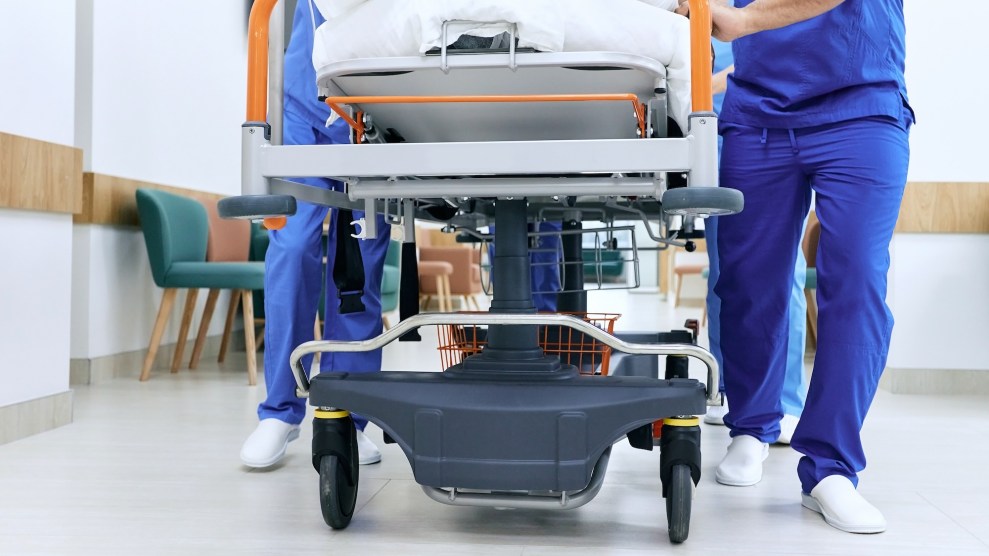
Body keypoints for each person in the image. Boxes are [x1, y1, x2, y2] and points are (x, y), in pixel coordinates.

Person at [679, 0, 913, 534]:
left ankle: (831, 467)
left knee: (855, 280)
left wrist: (743, 22)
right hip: (757, 113)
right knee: (746, 280)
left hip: (860, 104)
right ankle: (751, 426)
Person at [240, 0, 391, 469]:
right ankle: (280, 413)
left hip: (373, 107)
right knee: (291, 247)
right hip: (304, 105)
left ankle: (350, 415)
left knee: (360, 262)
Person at [703, 34, 808, 446]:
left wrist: (711, 81)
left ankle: (787, 400)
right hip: (710, 128)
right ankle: (732, 389)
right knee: (728, 267)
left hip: (768, 126)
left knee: (784, 270)